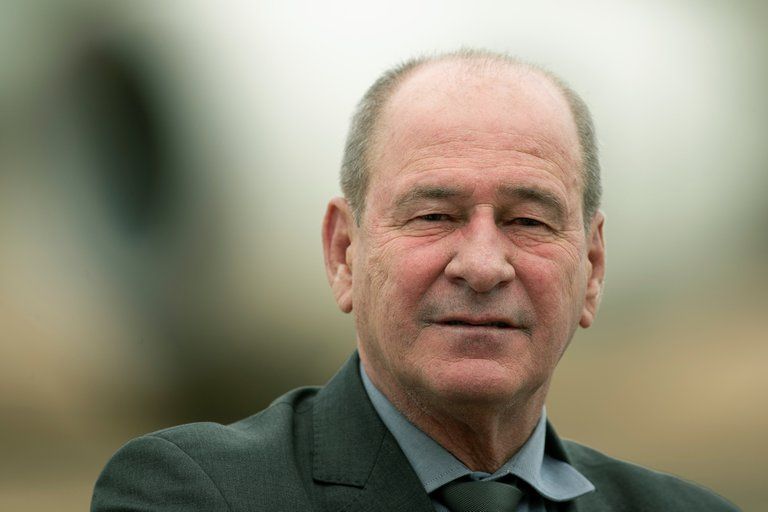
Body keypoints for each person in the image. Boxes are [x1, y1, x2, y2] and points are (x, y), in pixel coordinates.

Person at [91, 49, 739, 512]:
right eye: (434, 217)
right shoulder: (195, 493)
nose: (482, 266)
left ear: (591, 269)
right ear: (344, 254)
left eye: (528, 221)